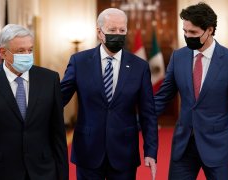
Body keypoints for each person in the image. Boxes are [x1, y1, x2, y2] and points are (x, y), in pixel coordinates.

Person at [154, 2, 228, 179]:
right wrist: (136, 120)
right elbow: (162, 97)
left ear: (210, 30)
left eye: (193, 32)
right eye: (185, 31)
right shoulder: (178, 57)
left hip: (219, 146)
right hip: (184, 146)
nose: (188, 36)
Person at [61, 8, 158, 180]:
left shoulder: (140, 66)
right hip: (88, 151)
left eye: (122, 30)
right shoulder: (79, 62)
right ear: (100, 32)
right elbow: (59, 99)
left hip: (124, 152)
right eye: (112, 30)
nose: (118, 34)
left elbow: (148, 114)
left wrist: (150, 151)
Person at [0, 24, 68, 180]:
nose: (27, 54)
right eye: (20, 51)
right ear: (3, 53)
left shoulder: (50, 79)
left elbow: (58, 134)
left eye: (30, 50)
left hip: (43, 171)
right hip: (0, 173)